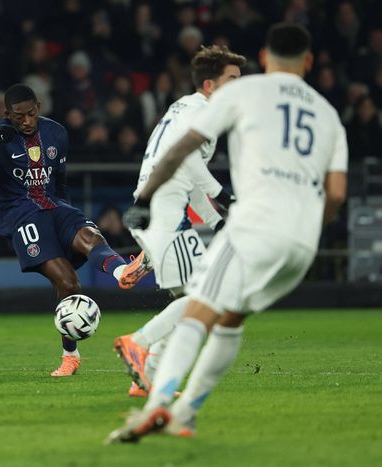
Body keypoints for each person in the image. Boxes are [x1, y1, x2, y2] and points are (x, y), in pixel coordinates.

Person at [108, 22, 347, 443]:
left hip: (248, 222)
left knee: (203, 304)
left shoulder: (242, 94)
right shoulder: (329, 115)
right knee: (226, 313)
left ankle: (152, 379)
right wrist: (228, 206)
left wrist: (146, 200)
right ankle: (171, 395)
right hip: (300, 240)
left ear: (266, 58)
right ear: (309, 62)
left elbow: (181, 153)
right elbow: (337, 194)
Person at [0, 83, 149, 377]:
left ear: (38, 107)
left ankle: (122, 272)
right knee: (69, 285)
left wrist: (67, 214)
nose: (26, 121)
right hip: (21, 215)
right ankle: (70, 356)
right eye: (19, 116)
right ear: (8, 114)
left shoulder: (56, 133)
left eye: (31, 113)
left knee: (90, 236)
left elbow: (59, 180)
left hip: (56, 206)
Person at [113, 45, 245, 398]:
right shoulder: (201, 112)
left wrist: (217, 221)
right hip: (164, 215)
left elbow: (188, 175)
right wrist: (225, 197)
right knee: (207, 296)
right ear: (210, 84)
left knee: (189, 301)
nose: (239, 86)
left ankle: (146, 378)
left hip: (159, 211)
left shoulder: (185, 108)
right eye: (232, 79)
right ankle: (138, 342)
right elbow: (187, 162)